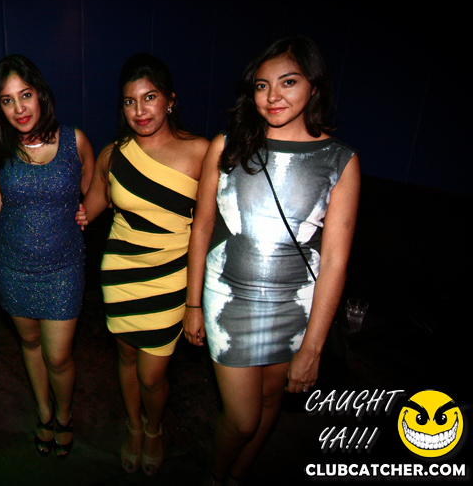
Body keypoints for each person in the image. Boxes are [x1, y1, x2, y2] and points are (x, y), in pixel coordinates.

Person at [184, 35, 360, 485]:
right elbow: (201, 228)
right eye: (262, 85)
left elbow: (335, 261)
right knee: (242, 419)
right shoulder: (227, 145)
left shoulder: (340, 160)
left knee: (269, 403)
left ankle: (238, 474)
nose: (273, 96)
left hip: (295, 305)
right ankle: (216, 475)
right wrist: (192, 304)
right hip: (228, 298)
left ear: (314, 86)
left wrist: (313, 348)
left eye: (288, 82)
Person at [82, 53, 209, 476]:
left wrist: (199, 302)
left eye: (149, 97)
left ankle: (154, 428)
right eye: (129, 101)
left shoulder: (201, 152)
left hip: (172, 279)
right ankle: (133, 427)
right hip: (121, 276)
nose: (139, 110)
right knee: (125, 359)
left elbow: (212, 227)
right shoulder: (113, 155)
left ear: (170, 100)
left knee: (153, 374)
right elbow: (88, 210)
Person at [0, 54, 94, 459]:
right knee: (29, 346)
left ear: (41, 94)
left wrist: (83, 211)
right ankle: (44, 412)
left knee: (58, 356)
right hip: (13, 267)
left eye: (25, 94)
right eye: (7, 100)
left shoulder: (75, 140)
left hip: (64, 268)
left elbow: (90, 188)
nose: (19, 108)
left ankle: (64, 414)